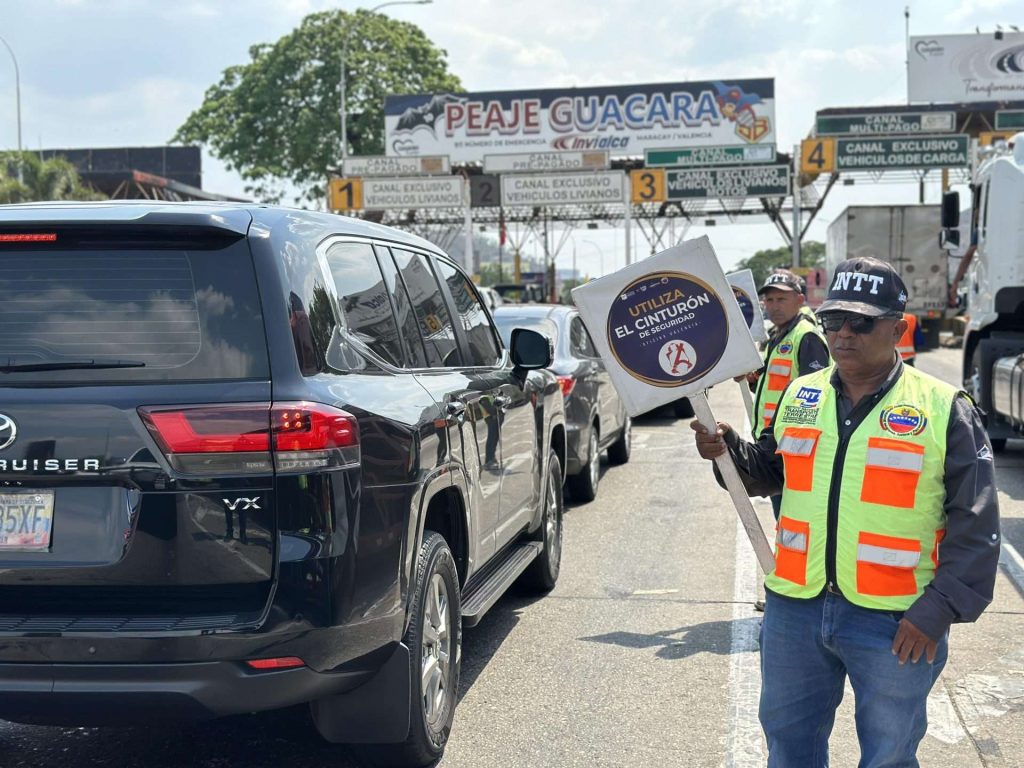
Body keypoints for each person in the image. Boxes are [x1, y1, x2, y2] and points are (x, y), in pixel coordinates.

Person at [692, 257, 1000, 768]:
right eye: (835, 320)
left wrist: (938, 610)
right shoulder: (801, 394)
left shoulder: (944, 407)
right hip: (795, 607)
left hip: (896, 621)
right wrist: (726, 449)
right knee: (788, 747)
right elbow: (773, 472)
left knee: (888, 755)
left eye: (862, 322)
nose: (844, 333)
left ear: (898, 329)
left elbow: (978, 524)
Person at [746, 270, 830, 520]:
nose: (774, 306)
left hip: (793, 449)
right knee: (783, 520)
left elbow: (815, 395)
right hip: (775, 442)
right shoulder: (779, 335)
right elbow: (778, 384)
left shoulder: (806, 337)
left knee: (793, 520)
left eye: (781, 299)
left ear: (800, 300)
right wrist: (755, 382)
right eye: (769, 300)